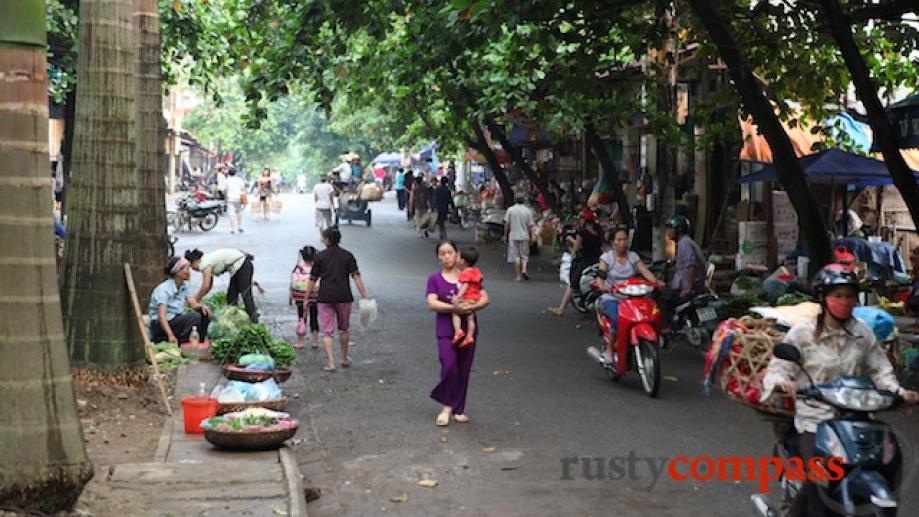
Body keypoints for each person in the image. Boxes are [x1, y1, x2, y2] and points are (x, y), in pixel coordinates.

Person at [763, 264, 919, 516]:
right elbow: (779, 369)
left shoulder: (862, 333)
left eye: (849, 296)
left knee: (888, 460)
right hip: (816, 420)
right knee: (818, 483)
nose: (844, 301)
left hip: (858, 419)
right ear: (823, 298)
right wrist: (784, 382)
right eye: (837, 295)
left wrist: (898, 392)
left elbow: (881, 371)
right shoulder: (802, 334)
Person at [427, 241, 490, 427]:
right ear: (438, 258)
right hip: (446, 330)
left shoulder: (470, 274)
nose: (446, 256)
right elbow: (431, 303)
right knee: (449, 366)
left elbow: (485, 298)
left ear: (457, 255)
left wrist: (472, 306)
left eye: (450, 252)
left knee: (463, 369)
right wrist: (454, 307)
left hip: (469, 330)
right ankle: (447, 407)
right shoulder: (434, 279)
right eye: (442, 253)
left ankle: (458, 408)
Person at [303, 228, 369, 372]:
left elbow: (312, 279)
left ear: (327, 240)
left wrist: (306, 298)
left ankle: (331, 363)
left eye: (323, 238)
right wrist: (364, 295)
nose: (321, 240)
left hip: (325, 297)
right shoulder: (348, 256)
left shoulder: (320, 257)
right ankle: (344, 358)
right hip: (344, 297)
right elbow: (356, 276)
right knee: (344, 329)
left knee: (327, 332)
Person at [596, 227, 662, 362]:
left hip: (632, 299)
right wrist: (602, 285)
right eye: (619, 240)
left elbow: (645, 271)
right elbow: (600, 274)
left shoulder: (633, 257)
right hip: (612, 298)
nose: (622, 243)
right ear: (613, 242)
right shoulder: (607, 258)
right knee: (617, 318)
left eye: (625, 239)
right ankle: (609, 350)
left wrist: (656, 282)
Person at [149, 256, 212, 344]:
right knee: (194, 317)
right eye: (186, 269)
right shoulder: (164, 289)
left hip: (175, 320)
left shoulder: (184, 286)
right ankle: (182, 344)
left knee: (204, 314)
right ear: (178, 272)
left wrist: (202, 307)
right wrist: (171, 335)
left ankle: (199, 343)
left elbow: (193, 304)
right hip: (161, 324)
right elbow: (161, 317)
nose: (189, 272)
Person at [186, 248, 258, 323]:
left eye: (191, 266)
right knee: (231, 297)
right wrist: (195, 301)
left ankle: (255, 322)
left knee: (246, 295)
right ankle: (235, 321)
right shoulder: (206, 261)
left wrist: (195, 300)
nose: (193, 269)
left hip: (242, 265)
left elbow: (206, 286)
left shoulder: (204, 264)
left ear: (195, 261)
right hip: (237, 268)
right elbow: (208, 287)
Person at [661, 214, 706, 327]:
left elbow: (691, 265)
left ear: (679, 230)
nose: (667, 232)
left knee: (662, 299)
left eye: (670, 229)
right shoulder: (684, 243)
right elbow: (681, 264)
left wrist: (688, 287)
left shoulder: (684, 244)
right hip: (693, 284)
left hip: (688, 287)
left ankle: (667, 328)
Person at [547, 215, 583, 316]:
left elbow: (577, 245)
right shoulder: (571, 231)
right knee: (570, 281)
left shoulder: (581, 232)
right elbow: (574, 244)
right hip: (574, 257)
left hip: (580, 258)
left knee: (572, 283)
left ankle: (562, 308)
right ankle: (563, 306)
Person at [451, 246, 483, 349]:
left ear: (463, 261)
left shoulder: (465, 273)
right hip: (474, 298)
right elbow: (480, 279)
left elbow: (465, 285)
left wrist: (458, 297)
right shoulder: (475, 271)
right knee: (470, 318)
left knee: (455, 312)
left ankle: (458, 331)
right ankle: (469, 336)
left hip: (467, 297)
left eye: (458, 257)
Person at [290, 246, 320, 350]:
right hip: (314, 297)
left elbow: (292, 284)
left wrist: (291, 298)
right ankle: (315, 341)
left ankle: (301, 341)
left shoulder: (298, 268)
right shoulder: (317, 268)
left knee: (302, 318)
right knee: (314, 317)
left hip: (300, 297)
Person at [504, 196, 536, 282]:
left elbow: (507, 223)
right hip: (525, 236)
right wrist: (532, 235)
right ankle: (524, 270)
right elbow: (530, 225)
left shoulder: (510, 210)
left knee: (516, 256)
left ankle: (518, 276)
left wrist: (505, 234)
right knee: (524, 255)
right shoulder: (527, 211)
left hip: (513, 235)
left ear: (515, 200)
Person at [223, 167, 247, 234]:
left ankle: (233, 229)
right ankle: (239, 226)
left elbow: (225, 191)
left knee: (231, 214)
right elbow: (243, 189)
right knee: (239, 212)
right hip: (238, 198)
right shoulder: (239, 180)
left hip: (230, 198)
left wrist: (225, 199)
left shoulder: (227, 180)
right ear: (235, 173)